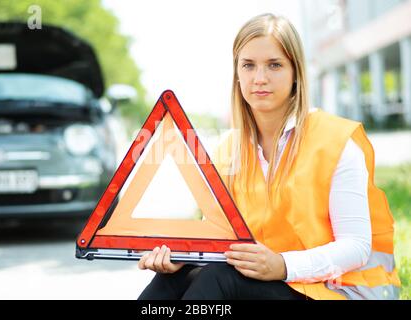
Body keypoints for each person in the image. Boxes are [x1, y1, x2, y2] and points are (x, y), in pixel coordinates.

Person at [137, 13, 401, 300]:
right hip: (267, 284)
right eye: (248, 65)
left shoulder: (335, 141)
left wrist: (282, 265)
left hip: (335, 289)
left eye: (274, 65)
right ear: (237, 73)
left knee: (221, 278)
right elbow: (221, 239)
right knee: (171, 282)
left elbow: (356, 247)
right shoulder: (228, 150)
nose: (260, 78)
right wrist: (183, 256)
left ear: (296, 73)